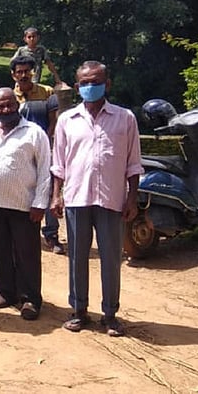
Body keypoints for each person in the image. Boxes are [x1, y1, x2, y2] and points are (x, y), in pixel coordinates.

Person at [51, 60, 142, 337]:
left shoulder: (125, 118)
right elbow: (59, 164)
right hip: (77, 197)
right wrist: (56, 196)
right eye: (85, 83)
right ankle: (79, 310)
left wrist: (132, 198)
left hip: (111, 199)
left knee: (111, 258)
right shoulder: (67, 120)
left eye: (96, 82)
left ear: (107, 84)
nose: (90, 87)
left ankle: (110, 314)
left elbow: (133, 164)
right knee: (77, 257)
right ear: (77, 87)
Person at [0, 87, 51, 320]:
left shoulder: (34, 133)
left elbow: (45, 170)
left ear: (18, 105)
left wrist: (40, 203)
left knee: (26, 253)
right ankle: (6, 292)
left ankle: (30, 299)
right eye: (0, 106)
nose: (6, 109)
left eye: (10, 104)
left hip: (25, 205)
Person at [12, 55, 64, 254]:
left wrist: (42, 141)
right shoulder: (10, 96)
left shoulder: (47, 92)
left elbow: (54, 121)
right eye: (19, 72)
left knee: (48, 189)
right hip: (19, 151)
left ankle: (51, 234)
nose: (24, 75)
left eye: (27, 71)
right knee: (22, 190)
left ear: (33, 72)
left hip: (45, 149)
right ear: (14, 75)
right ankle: (24, 232)